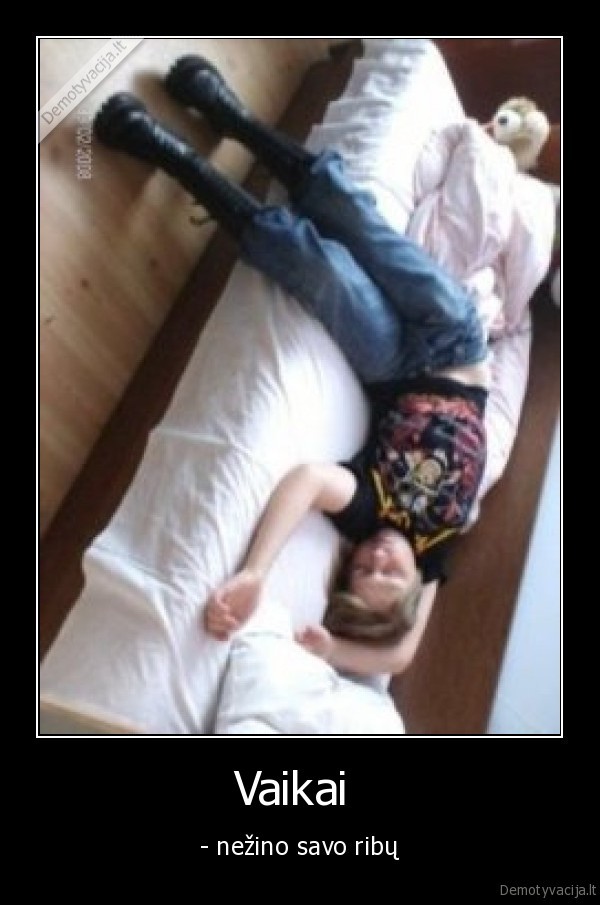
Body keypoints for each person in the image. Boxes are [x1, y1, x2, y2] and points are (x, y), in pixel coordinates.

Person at [94, 55, 490, 676]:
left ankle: (174, 158)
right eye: (389, 575)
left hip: (390, 369)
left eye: (362, 571)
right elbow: (400, 656)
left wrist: (255, 573)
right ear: (415, 588)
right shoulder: (436, 551)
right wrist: (346, 654)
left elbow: (307, 480)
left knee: (316, 264)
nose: (378, 559)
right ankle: (230, 115)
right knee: (353, 216)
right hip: (457, 343)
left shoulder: (365, 512)